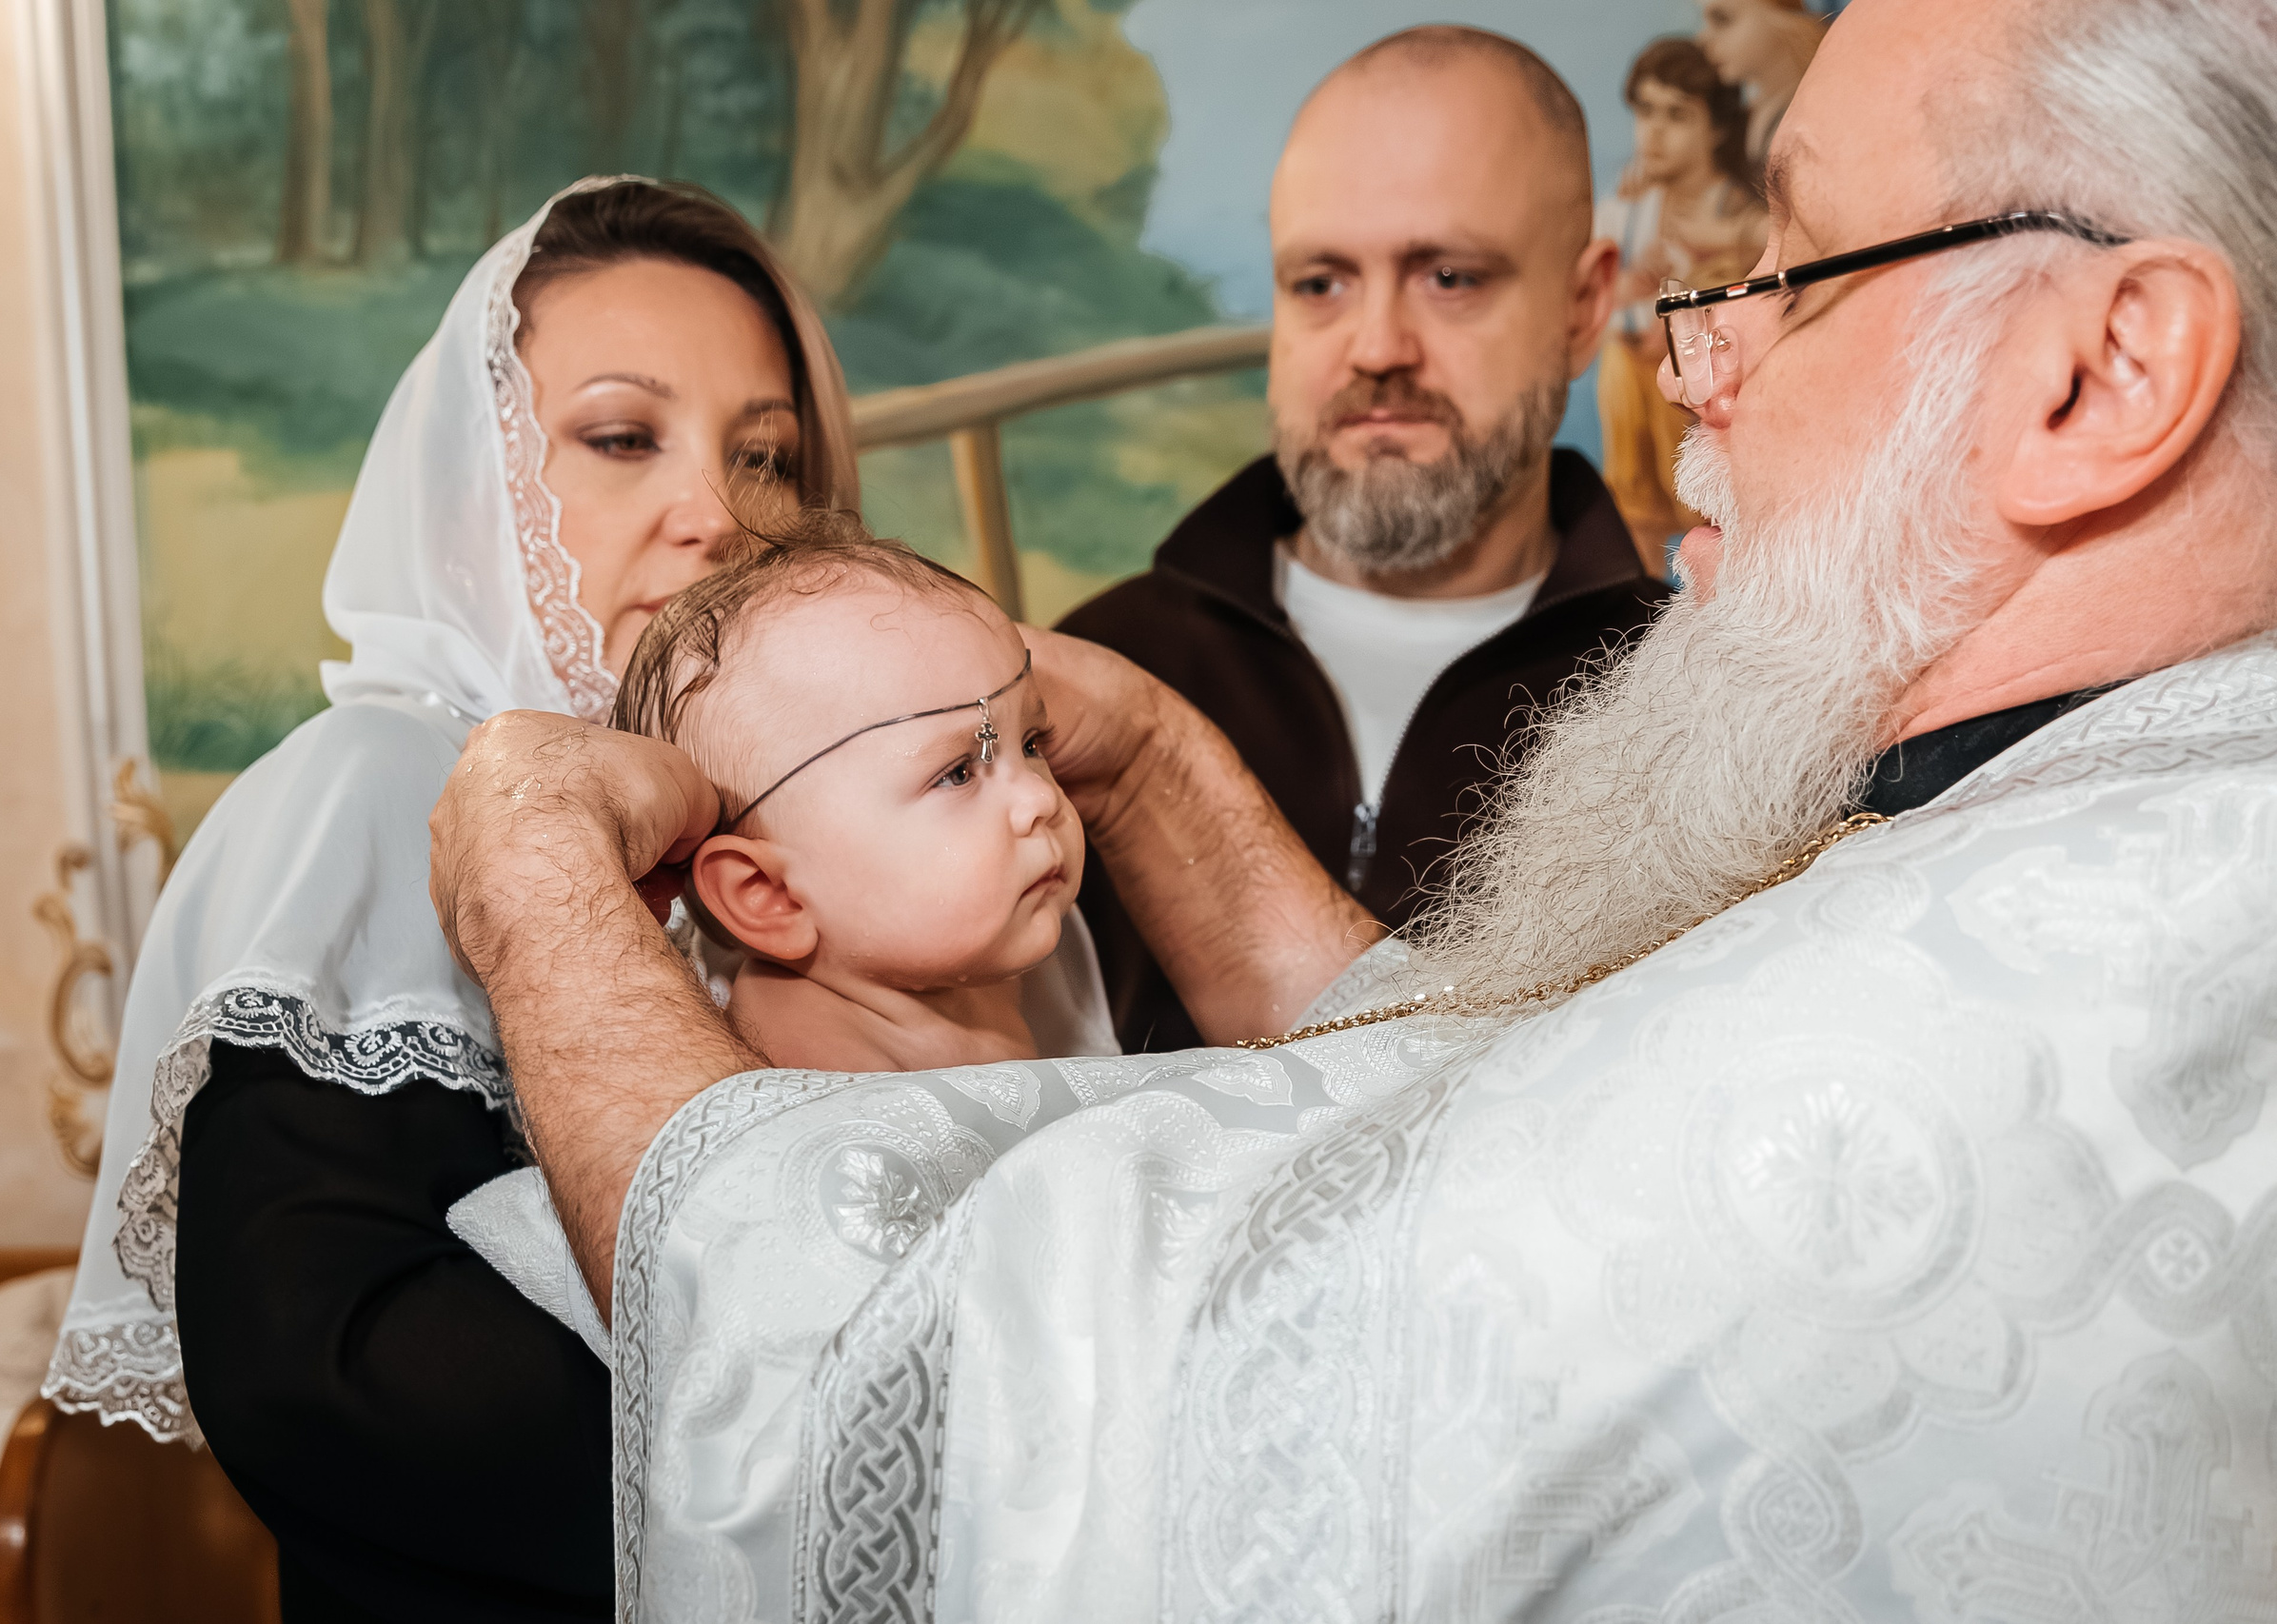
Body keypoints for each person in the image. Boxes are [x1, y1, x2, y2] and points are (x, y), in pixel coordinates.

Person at [431, 0, 2277, 1612]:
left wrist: (539, 887)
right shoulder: (2082, 830)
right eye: (1318, 279)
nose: (1693, 363)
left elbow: (944, 1404)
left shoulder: (2007, 1008)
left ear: (2104, 372)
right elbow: (1470, 1115)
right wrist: (1152, 758)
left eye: (1782, 273)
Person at [44, 177, 859, 1620]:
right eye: (620, 438)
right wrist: (852, 1493)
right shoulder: (380, 781)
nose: (716, 515)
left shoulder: (849, 824)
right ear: (470, 492)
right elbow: (322, 1362)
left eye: (766, 455)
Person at [1059, 28, 1662, 1053]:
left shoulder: (1694, 703)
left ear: (1582, 304)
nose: (1377, 347)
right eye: (1321, 284)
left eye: (1451, 278)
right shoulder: (1096, 676)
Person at [608, 517, 1111, 1071]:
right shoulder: (809, 1073)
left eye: (1033, 743)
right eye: (956, 774)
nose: (1040, 800)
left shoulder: (996, 947)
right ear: (770, 895)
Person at [1594, 36, 1766, 571]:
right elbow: (1597, 308)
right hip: (1642, 400)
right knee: (1624, 365)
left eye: (1677, 115)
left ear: (1715, 128)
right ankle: (1640, 574)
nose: (1655, 132)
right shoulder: (1626, 210)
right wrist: (1628, 298)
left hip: (1715, 406)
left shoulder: (1743, 213)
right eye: (1645, 111)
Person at [1695, 0, 1826, 177]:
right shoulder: (1754, 115)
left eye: (1722, 19)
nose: (1703, 38)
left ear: (1781, 14)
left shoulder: (1812, 121)